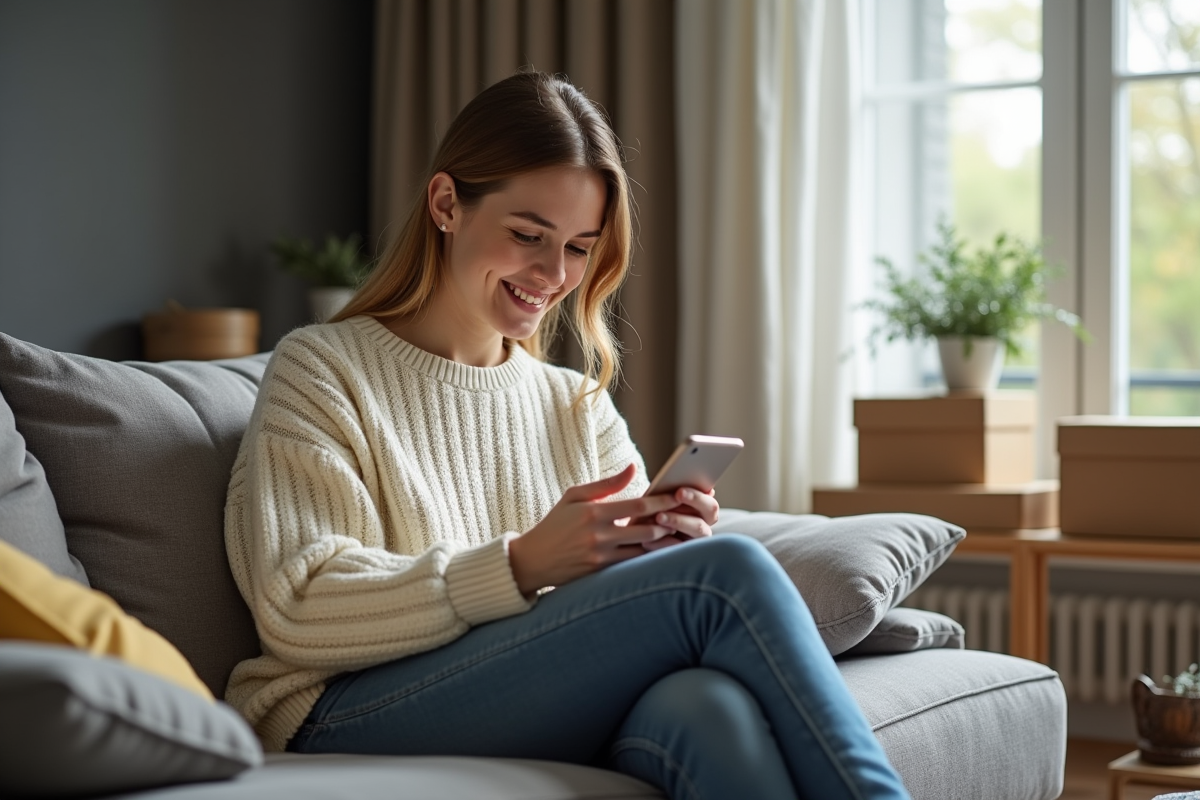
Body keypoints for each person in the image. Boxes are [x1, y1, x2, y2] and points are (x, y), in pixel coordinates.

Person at [224, 71, 911, 800]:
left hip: (514, 688)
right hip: (344, 707)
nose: (554, 275)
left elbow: (629, 603)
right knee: (730, 575)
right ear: (447, 203)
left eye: (581, 247)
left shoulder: (574, 403)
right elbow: (298, 604)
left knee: (706, 709)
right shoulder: (322, 368)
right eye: (528, 235)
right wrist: (518, 564)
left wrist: (665, 545)